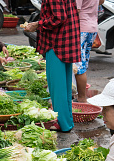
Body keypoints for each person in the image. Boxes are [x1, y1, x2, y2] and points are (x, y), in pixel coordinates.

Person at [23, 0, 80, 132]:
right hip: (65, 40)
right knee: (64, 87)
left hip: (57, 42)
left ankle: (62, 123)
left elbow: (58, 18)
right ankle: (66, 122)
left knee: (57, 88)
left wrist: (37, 24)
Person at [75, 0, 102, 102]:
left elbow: (76, 10)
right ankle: (79, 96)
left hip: (81, 28)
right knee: (83, 63)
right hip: (92, 27)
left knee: (78, 66)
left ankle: (82, 98)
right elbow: (101, 2)